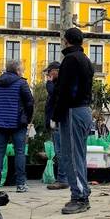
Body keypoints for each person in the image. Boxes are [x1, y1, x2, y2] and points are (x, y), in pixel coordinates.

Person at [52, 27, 94, 214]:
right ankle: (82, 191)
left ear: (66, 40)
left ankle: (79, 197)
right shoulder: (85, 59)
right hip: (84, 109)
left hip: (72, 111)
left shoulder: (70, 60)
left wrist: (55, 114)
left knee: (71, 155)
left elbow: (65, 91)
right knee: (79, 154)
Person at [0, 60, 34, 192]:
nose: (22, 72)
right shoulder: (21, 83)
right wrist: (27, 118)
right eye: (21, 69)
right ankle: (20, 184)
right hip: (18, 122)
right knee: (19, 151)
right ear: (17, 70)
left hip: (0, 123)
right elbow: (30, 102)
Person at [44, 61, 69, 190]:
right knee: (59, 151)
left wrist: (49, 82)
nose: (48, 75)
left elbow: (54, 95)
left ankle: (62, 179)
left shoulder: (59, 84)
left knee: (60, 152)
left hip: (58, 120)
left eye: (49, 72)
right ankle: (63, 178)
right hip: (57, 120)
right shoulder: (59, 83)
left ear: (55, 71)